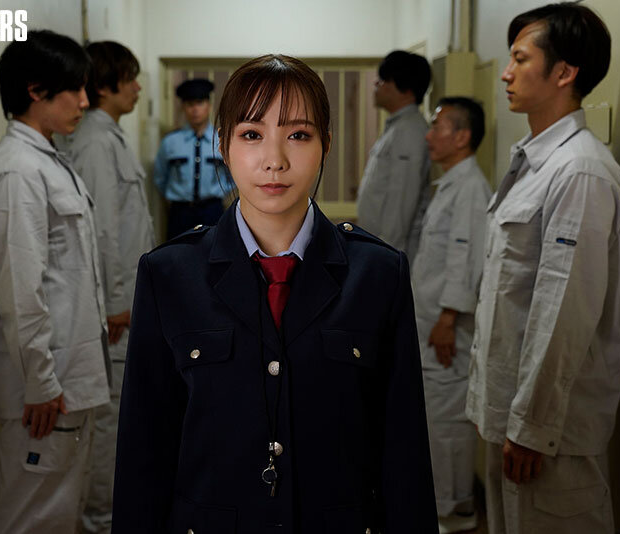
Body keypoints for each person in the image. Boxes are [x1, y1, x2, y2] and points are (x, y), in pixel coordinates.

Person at [112, 54, 438, 533]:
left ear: (326, 144)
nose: (274, 160)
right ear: (223, 145)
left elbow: (403, 449)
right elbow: (144, 451)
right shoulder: (169, 274)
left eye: (299, 135)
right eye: (251, 134)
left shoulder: (378, 273)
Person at [465, 4, 620, 533]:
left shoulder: (580, 171)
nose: (506, 74)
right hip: (510, 417)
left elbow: (564, 311)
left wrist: (533, 427)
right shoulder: (535, 162)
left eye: (520, 59)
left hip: (549, 434)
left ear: (564, 72)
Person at [0, 30, 110, 534]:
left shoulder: (48, 162)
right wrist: (42, 382)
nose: (85, 102)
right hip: (46, 391)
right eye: (75, 89)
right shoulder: (18, 173)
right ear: (35, 90)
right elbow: (20, 290)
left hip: (67, 382)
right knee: (31, 520)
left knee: (57, 513)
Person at [65, 40, 155, 534]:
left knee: (122, 414)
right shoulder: (96, 143)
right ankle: (101, 519)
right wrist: (118, 302)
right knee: (110, 418)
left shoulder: (108, 136)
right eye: (130, 78)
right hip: (114, 312)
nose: (138, 87)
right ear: (106, 85)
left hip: (126, 305)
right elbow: (102, 232)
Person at [412, 97, 491, 534]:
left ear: (462, 136)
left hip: (448, 326)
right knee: (436, 415)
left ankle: (457, 510)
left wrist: (447, 319)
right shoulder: (451, 184)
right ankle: (443, 503)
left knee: (447, 419)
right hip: (432, 322)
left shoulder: (472, 189)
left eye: (438, 127)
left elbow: (466, 259)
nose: (429, 136)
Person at [356, 50, 432, 262]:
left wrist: (388, 255)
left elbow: (401, 201)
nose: (376, 84)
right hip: (378, 246)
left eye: (383, 80)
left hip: (388, 250)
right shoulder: (398, 127)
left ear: (405, 89)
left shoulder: (410, 132)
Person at [153, 78, 233, 238]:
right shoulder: (171, 142)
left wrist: (221, 191)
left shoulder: (221, 140)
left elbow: (234, 175)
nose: (195, 109)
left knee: (214, 250)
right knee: (176, 251)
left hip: (212, 210)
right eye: (190, 104)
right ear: (183, 107)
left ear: (209, 105)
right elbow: (160, 177)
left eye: (200, 103)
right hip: (180, 212)